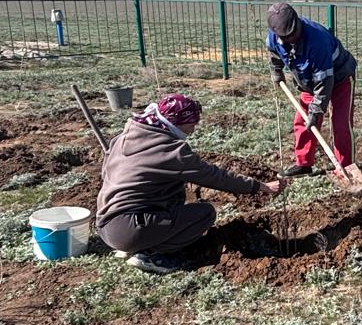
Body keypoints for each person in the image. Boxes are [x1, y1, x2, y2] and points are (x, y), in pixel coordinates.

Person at [96, 93, 284, 275]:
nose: (194, 129)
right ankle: (151, 254)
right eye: (192, 124)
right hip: (130, 228)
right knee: (204, 214)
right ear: (177, 122)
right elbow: (214, 176)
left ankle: (136, 242)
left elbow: (106, 173)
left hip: (106, 225)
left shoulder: (125, 137)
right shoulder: (170, 151)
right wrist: (260, 186)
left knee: (172, 201)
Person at [266, 2, 358, 178]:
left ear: (297, 23)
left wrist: (316, 112)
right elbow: (274, 52)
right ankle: (304, 164)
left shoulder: (317, 41)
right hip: (308, 82)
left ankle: (346, 168)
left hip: (340, 78)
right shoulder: (274, 36)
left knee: (340, 125)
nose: (291, 38)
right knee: (302, 122)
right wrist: (276, 70)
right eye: (286, 37)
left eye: (293, 33)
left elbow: (324, 82)